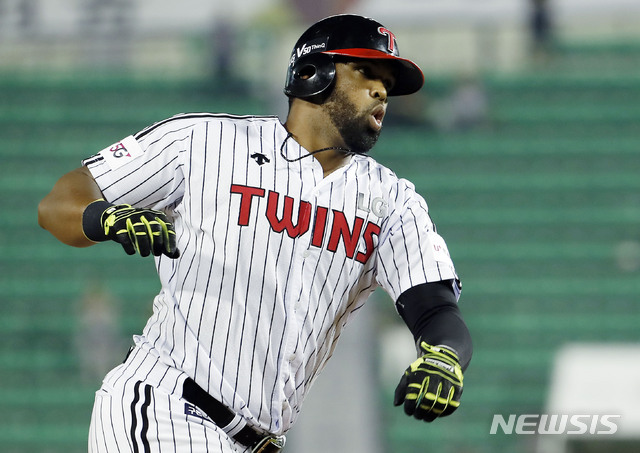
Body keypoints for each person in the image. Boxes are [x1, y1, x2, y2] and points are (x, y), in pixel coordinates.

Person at [38, 14, 472, 453]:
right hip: (165, 407)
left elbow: (434, 307)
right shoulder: (205, 140)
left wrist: (444, 354)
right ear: (311, 73)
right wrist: (106, 220)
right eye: (366, 72)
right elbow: (59, 203)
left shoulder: (392, 200)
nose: (381, 90)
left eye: (388, 82)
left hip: (256, 441)